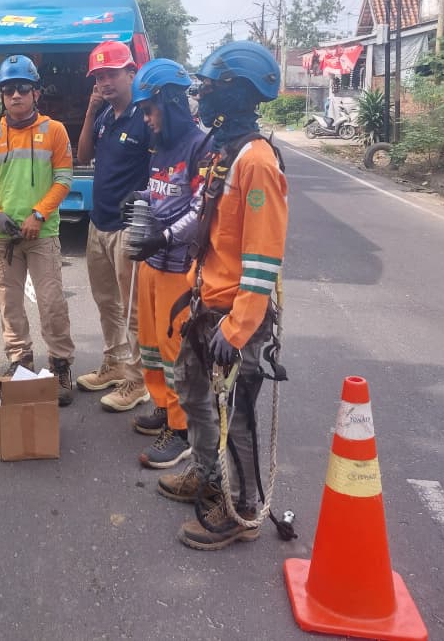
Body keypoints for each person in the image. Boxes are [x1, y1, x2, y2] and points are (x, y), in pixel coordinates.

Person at [154, 41, 288, 551]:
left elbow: (262, 256)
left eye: (209, 87)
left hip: (235, 316)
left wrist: (238, 328)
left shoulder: (256, 163)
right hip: (205, 303)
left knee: (239, 419)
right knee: (194, 394)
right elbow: (204, 220)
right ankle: (210, 477)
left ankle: (243, 508)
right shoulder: (222, 151)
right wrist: (166, 241)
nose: (201, 96)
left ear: (236, 93)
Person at [121, 59, 211, 471]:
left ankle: (180, 430)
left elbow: (201, 208)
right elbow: (162, 194)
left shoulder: (199, 146)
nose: (146, 119)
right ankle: (161, 405)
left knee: (175, 351)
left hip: (179, 266)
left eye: (149, 109)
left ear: (172, 103)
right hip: (152, 262)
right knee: (151, 344)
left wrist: (166, 237)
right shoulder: (161, 148)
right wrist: (139, 196)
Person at [0, 55, 77, 405]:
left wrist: (39, 214)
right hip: (3, 236)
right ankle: (21, 362)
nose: (15, 95)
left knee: (51, 303)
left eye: (22, 88)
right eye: (8, 90)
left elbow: (64, 178)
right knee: (10, 306)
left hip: (42, 234)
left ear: (35, 93)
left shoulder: (55, 131)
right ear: (2, 97)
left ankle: (61, 365)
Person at [74, 40, 151, 413]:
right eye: (98, 76)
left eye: (111, 74)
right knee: (107, 303)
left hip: (127, 229)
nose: (104, 82)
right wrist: (90, 111)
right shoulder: (105, 116)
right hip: (98, 223)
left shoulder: (145, 117)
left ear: (131, 73)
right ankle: (115, 363)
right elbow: (83, 156)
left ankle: (138, 381)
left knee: (133, 308)